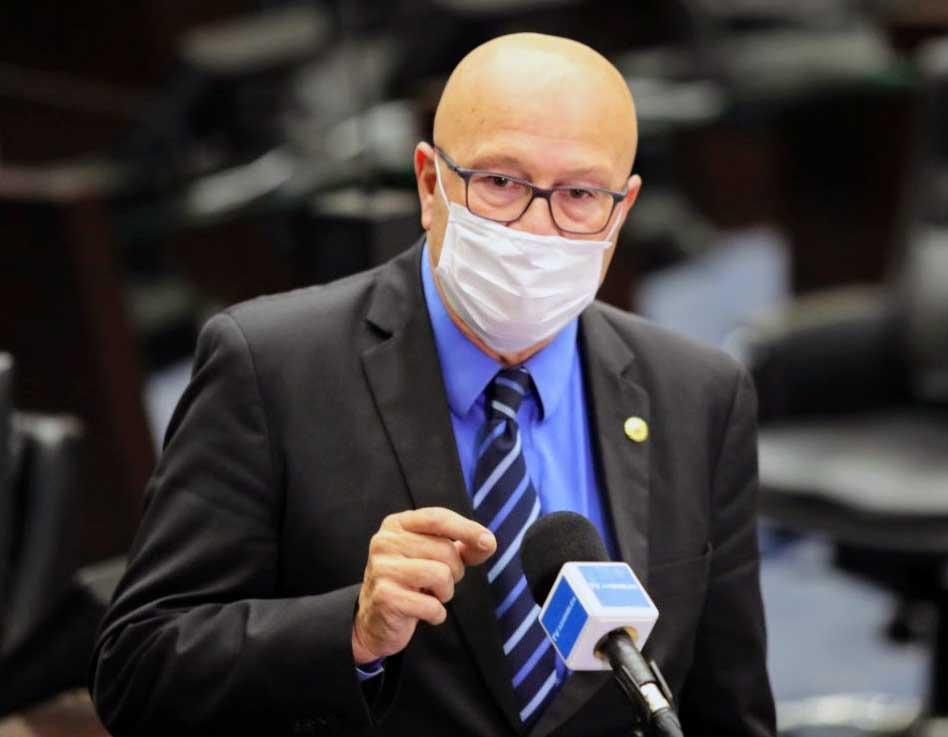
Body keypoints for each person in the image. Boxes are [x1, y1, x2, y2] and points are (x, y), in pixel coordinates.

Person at [91, 33, 775, 737]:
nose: (537, 227)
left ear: (622, 209)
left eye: (578, 194)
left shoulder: (696, 393)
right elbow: (138, 669)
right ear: (429, 183)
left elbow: (727, 709)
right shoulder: (272, 366)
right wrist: (349, 632)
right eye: (501, 182)